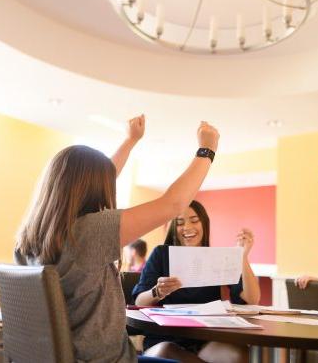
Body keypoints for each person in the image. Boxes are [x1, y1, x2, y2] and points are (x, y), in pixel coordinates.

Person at [14, 114, 219, 363]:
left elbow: (101, 176)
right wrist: (207, 150)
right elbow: (173, 204)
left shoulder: (31, 238)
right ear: (94, 188)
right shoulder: (89, 231)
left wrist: (130, 141)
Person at [132, 200, 260, 363]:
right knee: (166, 352)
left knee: (237, 352)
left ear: (204, 224)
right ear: (173, 228)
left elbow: (252, 299)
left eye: (194, 220)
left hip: (205, 340)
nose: (187, 227)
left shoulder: (216, 258)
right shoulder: (161, 254)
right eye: (179, 223)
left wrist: (243, 256)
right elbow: (139, 300)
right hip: (165, 339)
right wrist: (157, 291)